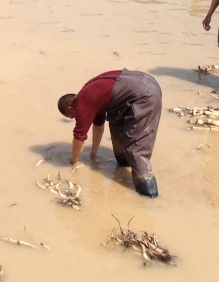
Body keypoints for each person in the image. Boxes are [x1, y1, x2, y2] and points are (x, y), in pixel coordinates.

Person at [57, 69, 161, 198]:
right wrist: (93, 155)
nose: (75, 117)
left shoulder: (82, 103)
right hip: (138, 85)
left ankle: (149, 196)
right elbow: (98, 126)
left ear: (70, 108)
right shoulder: (91, 96)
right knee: (117, 132)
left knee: (135, 149)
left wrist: (73, 162)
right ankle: (124, 164)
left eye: (72, 116)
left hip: (143, 94)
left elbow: (79, 137)